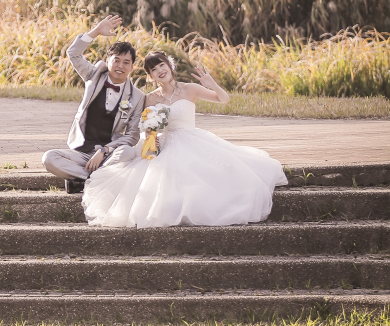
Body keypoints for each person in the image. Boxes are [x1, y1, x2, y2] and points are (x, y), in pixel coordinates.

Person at [82, 50, 287, 227]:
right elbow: (146, 127)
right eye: (154, 69)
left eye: (162, 65)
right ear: (150, 75)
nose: (160, 70)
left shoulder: (190, 89)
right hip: (166, 143)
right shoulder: (150, 98)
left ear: (169, 66)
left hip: (193, 139)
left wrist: (211, 83)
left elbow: (224, 99)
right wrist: (152, 138)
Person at [42, 16, 145, 194]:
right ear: (108, 61)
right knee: (49, 158)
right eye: (116, 60)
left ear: (132, 67)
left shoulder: (137, 97)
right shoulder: (94, 75)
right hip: (81, 152)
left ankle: (79, 180)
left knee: (128, 152)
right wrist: (95, 31)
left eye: (126, 62)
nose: (120, 66)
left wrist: (105, 150)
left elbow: (132, 136)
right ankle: (96, 180)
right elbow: (73, 53)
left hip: (109, 155)